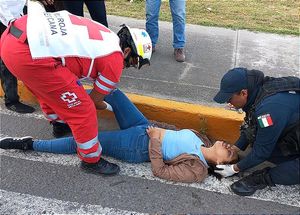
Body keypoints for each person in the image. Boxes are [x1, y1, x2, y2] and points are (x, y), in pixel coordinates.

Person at [0, 2, 152, 176]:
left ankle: (59, 124)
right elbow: (94, 101)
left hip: (12, 38)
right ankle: (90, 160)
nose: (129, 66)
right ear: (126, 51)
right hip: (29, 54)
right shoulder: (115, 60)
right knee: (83, 108)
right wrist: (106, 106)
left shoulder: (107, 35)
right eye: (133, 61)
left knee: (50, 88)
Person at [0, 88, 238, 183]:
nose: (228, 145)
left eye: (229, 152)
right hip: (143, 127)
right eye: (231, 146)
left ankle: (29, 145)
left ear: (219, 164)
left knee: (82, 143)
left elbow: (160, 171)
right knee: (112, 92)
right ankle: (66, 97)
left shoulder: (196, 170)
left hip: (136, 147)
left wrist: (155, 139)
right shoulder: (204, 140)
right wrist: (155, 131)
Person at [213, 67, 300, 196]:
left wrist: (233, 169)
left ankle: (262, 178)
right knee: (266, 146)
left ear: (243, 93)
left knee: (290, 167)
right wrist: (236, 147)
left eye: (229, 98)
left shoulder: (268, 110)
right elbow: (253, 124)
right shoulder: (260, 90)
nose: (228, 102)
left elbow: (262, 152)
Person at [0, 0, 35, 113]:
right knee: (6, 60)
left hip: (16, 17)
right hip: (5, 20)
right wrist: (12, 22)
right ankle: (11, 101)